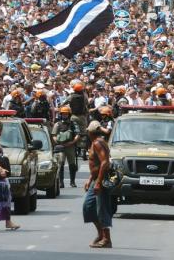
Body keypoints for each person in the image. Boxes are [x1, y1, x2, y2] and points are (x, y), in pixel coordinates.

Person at [83, 120, 112, 248]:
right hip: (96, 179)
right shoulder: (95, 142)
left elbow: (104, 163)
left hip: (101, 180)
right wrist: (90, 179)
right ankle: (101, 234)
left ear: (91, 132)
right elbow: (96, 164)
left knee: (101, 209)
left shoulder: (98, 143)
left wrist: (98, 182)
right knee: (88, 207)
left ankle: (106, 238)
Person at [52, 106, 80, 188]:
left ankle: (72, 182)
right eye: (63, 114)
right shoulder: (57, 124)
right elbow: (53, 135)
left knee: (72, 165)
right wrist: (58, 142)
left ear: (69, 114)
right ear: (61, 114)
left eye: (66, 114)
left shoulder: (73, 124)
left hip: (70, 146)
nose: (65, 115)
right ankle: (61, 182)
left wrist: (72, 142)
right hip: (61, 147)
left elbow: (78, 135)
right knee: (60, 164)